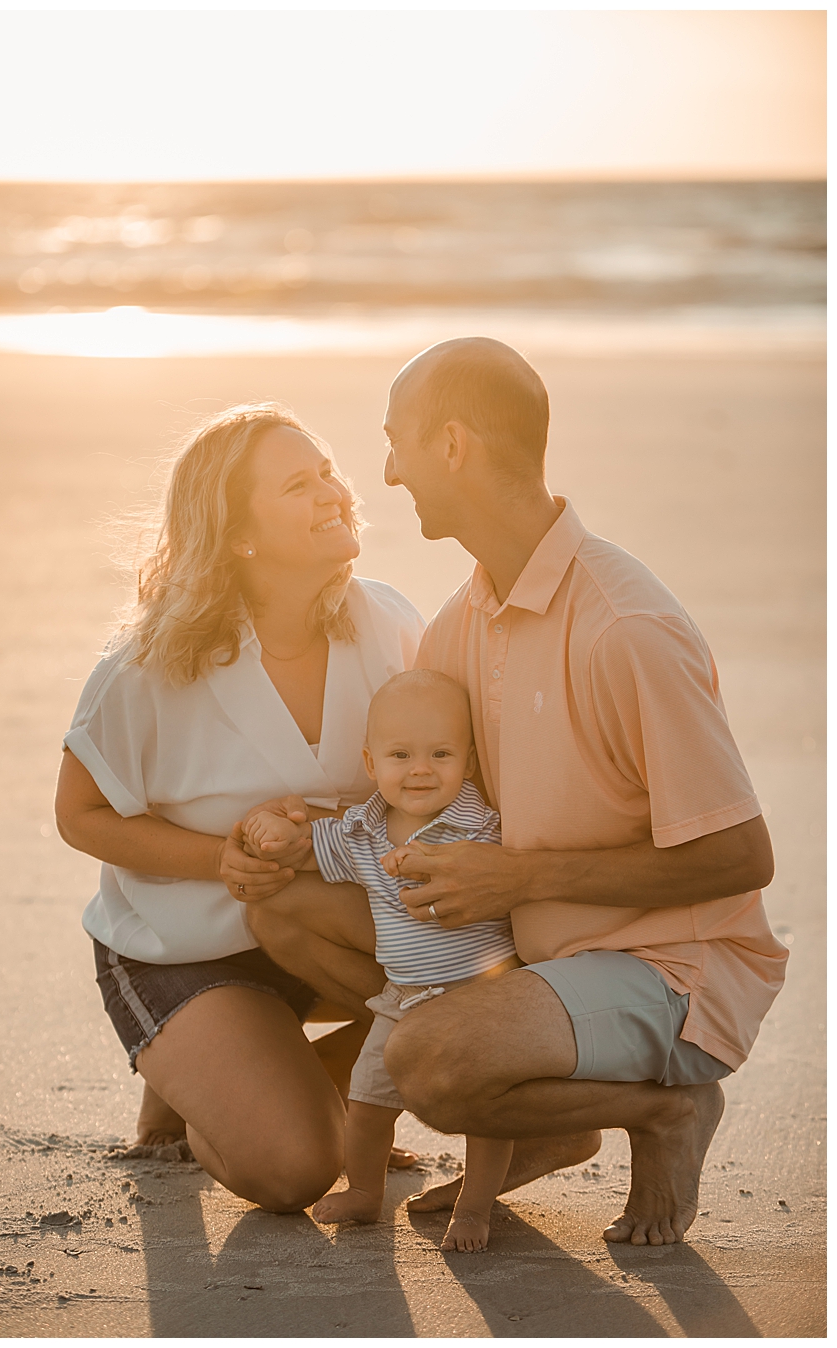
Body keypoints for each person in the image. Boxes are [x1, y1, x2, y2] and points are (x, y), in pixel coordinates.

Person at [261, 336, 785, 1246]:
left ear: (454, 446)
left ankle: (666, 1112)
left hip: (668, 972)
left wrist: (514, 879)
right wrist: (286, 831)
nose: (387, 474)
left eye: (398, 443)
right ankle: (545, 1116)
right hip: (531, 957)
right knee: (288, 911)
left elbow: (740, 859)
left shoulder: (626, 628)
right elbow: (423, 803)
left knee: (426, 1063)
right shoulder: (456, 629)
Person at [53, 401, 427, 1211]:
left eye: (328, 470)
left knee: (489, 971)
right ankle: (206, 1079)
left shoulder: (388, 625)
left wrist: (329, 835)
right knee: (294, 1170)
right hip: (184, 947)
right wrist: (216, 857)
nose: (334, 492)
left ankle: (284, 1080)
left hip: (324, 925)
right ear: (239, 536)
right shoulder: (148, 666)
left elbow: (447, 787)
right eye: (300, 483)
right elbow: (80, 814)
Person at [243, 670, 518, 1249]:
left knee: (483, 1115)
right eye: (401, 755)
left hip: (479, 999)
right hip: (399, 999)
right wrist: (268, 827)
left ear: (468, 761)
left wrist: (424, 864)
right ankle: (366, 1192)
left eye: (440, 754)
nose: (420, 769)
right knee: (366, 1102)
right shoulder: (363, 829)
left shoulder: (483, 827)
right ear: (371, 763)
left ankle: (474, 1209)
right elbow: (306, 848)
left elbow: (500, 880)